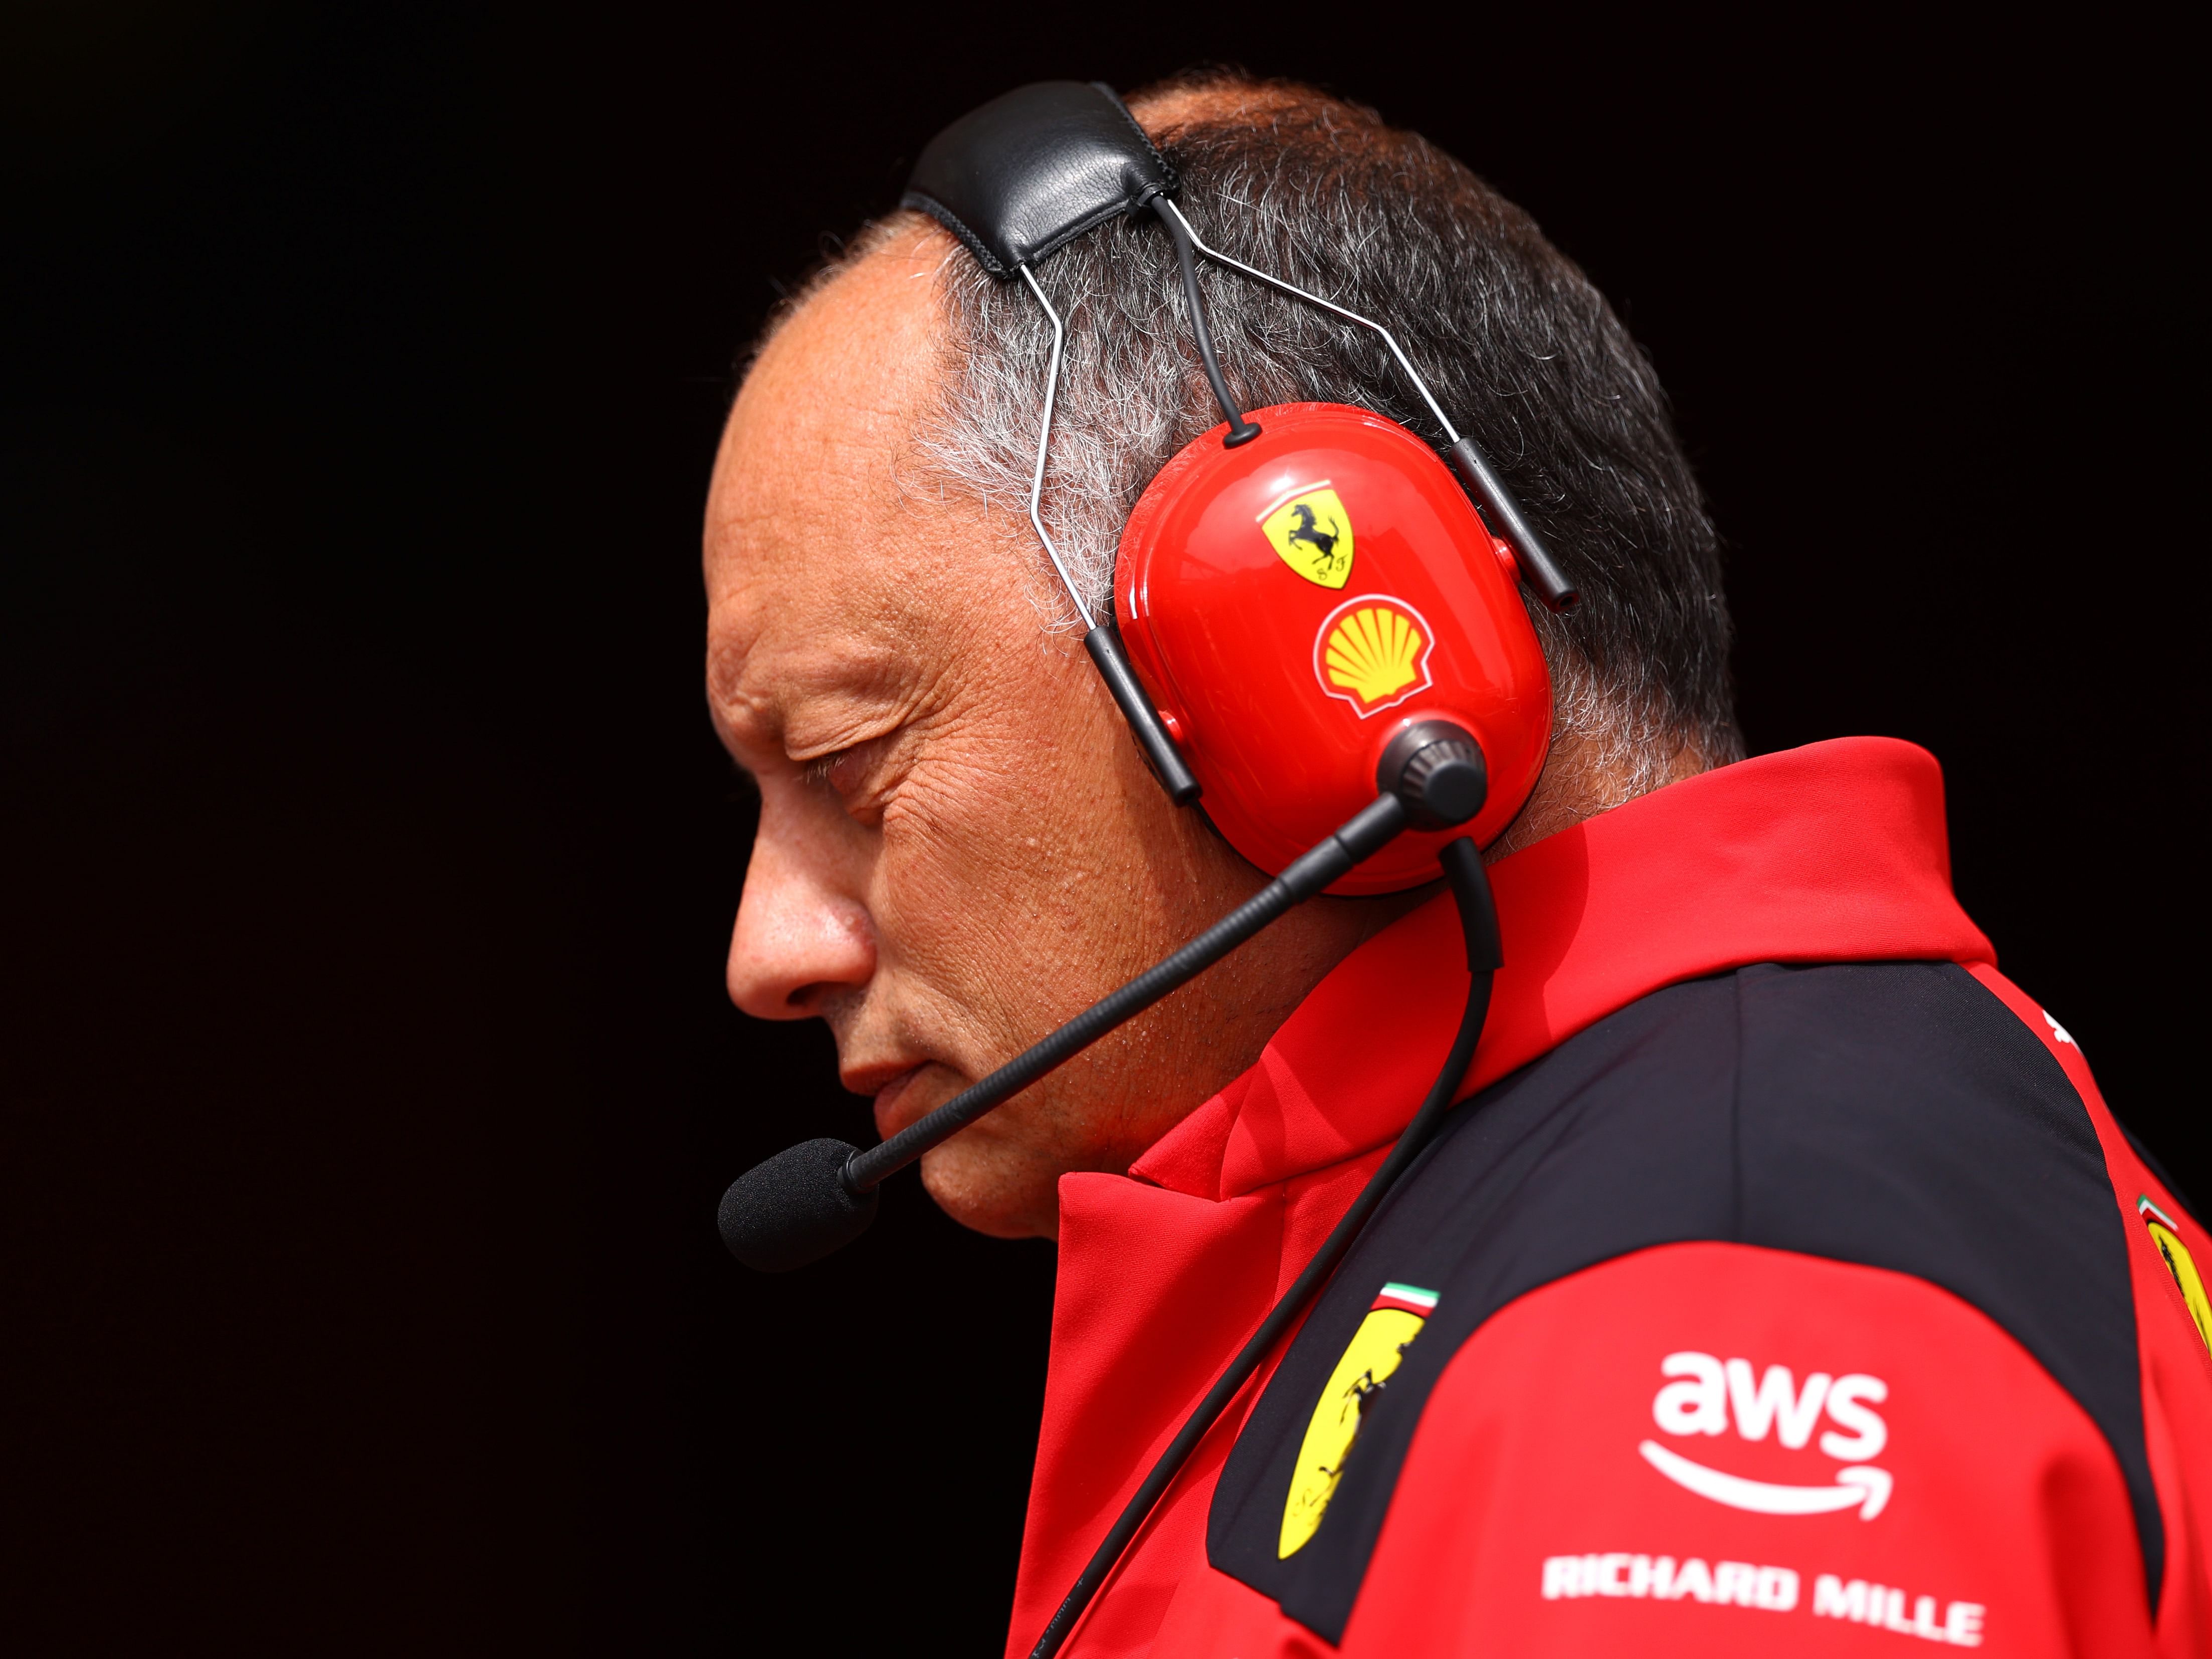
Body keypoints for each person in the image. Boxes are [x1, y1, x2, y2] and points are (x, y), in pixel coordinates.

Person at [705, 71, 2210, 1658]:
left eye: (847, 767)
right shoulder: (1622, 1204)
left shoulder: (1715, 1300)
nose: (768, 947)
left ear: (1292, 650)